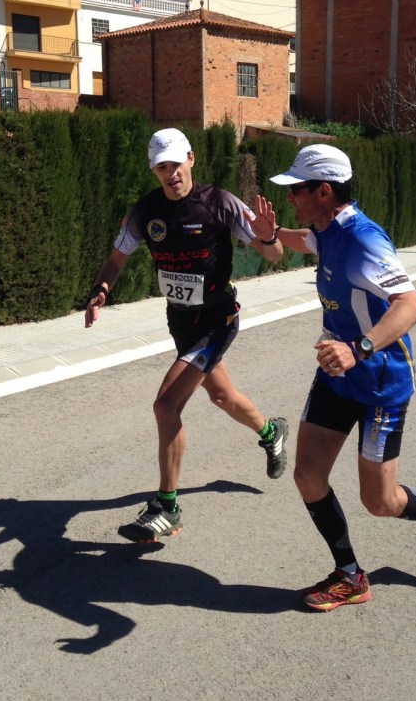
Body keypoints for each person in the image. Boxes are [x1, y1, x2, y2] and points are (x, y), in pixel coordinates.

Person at [267, 143, 416, 611]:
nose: (290, 196)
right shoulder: (327, 230)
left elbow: (411, 306)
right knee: (307, 475)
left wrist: (358, 348)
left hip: (381, 385)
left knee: (379, 501)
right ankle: (350, 575)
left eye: (297, 189)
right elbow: (304, 240)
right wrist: (271, 231)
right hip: (337, 377)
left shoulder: (363, 240)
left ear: (324, 190)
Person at [85, 128, 289, 543]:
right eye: (161, 167)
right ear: (155, 171)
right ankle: (272, 433)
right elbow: (115, 260)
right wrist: (101, 291)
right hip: (180, 320)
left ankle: (167, 506)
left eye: (176, 163)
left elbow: (274, 255)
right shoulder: (144, 211)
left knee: (166, 405)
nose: (170, 173)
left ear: (191, 159)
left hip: (216, 320)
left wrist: (268, 236)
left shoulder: (221, 204)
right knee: (222, 396)